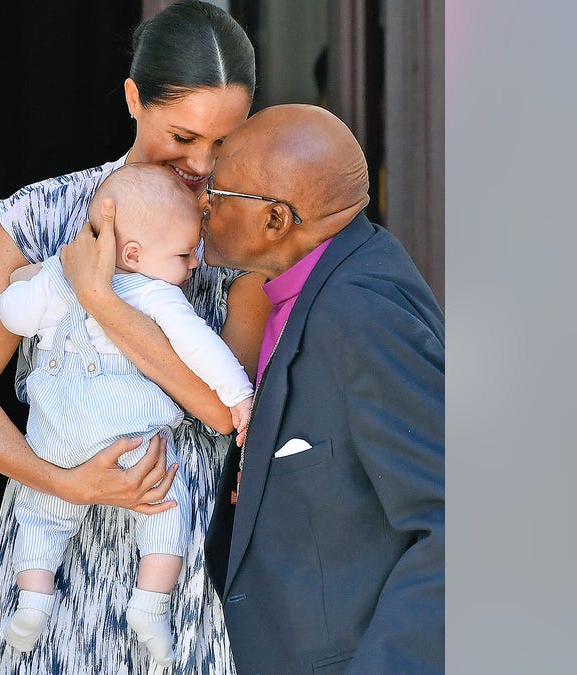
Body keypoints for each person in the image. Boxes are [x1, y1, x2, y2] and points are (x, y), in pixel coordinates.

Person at [0, 2, 266, 673]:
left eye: (224, 142)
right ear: (135, 99)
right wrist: (68, 484)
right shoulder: (40, 215)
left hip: (176, 590)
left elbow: (223, 410)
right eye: (184, 135)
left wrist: (100, 301)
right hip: (46, 584)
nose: (202, 164)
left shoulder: (238, 240)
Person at [198, 104, 445, 673]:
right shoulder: (310, 285)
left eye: (219, 192)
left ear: (276, 220)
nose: (203, 206)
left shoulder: (360, 314)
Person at [0, 164, 253, 668]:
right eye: (184, 254)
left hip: (57, 438)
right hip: (128, 434)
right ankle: (150, 606)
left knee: (42, 517)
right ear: (134, 255)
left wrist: (29, 278)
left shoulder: (60, 276)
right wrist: (240, 395)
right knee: (163, 509)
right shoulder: (157, 294)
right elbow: (204, 351)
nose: (195, 264)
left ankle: (32, 602)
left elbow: (14, 316)